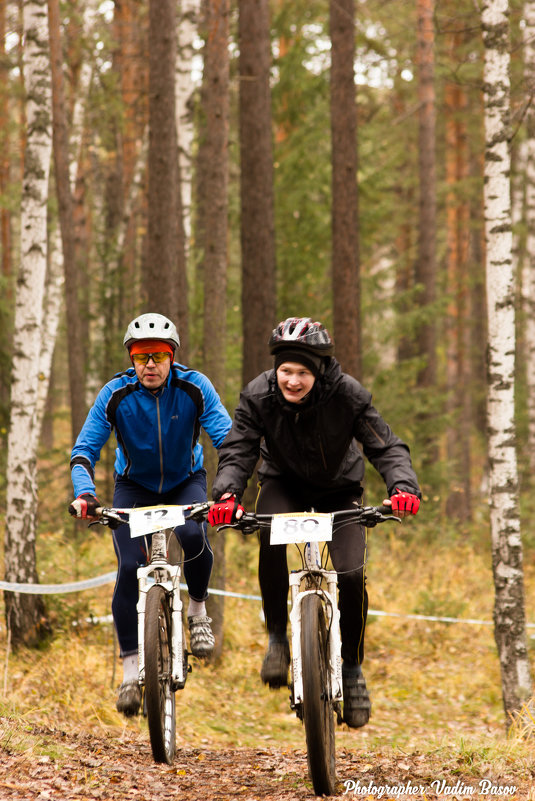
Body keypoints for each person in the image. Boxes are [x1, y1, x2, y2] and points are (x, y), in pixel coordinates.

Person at [208, 316, 421, 729]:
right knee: (268, 532)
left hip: (339, 491)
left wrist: (402, 486)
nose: (292, 380)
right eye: (285, 370)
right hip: (283, 484)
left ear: (319, 370)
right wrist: (227, 494)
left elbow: (386, 446)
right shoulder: (258, 395)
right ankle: (276, 639)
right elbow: (238, 450)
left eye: (302, 372)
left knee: (353, 573)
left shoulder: (348, 395)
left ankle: (353, 669)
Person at [68, 312, 232, 717]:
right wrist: (84, 493)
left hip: (184, 481)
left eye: (159, 355)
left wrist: (229, 489)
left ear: (172, 357)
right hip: (134, 487)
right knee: (128, 568)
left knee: (193, 536)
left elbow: (229, 440)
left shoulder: (195, 387)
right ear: (132, 359)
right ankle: (129, 671)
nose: (151, 365)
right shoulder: (115, 394)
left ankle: (197, 611)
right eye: (142, 357)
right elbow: (83, 451)